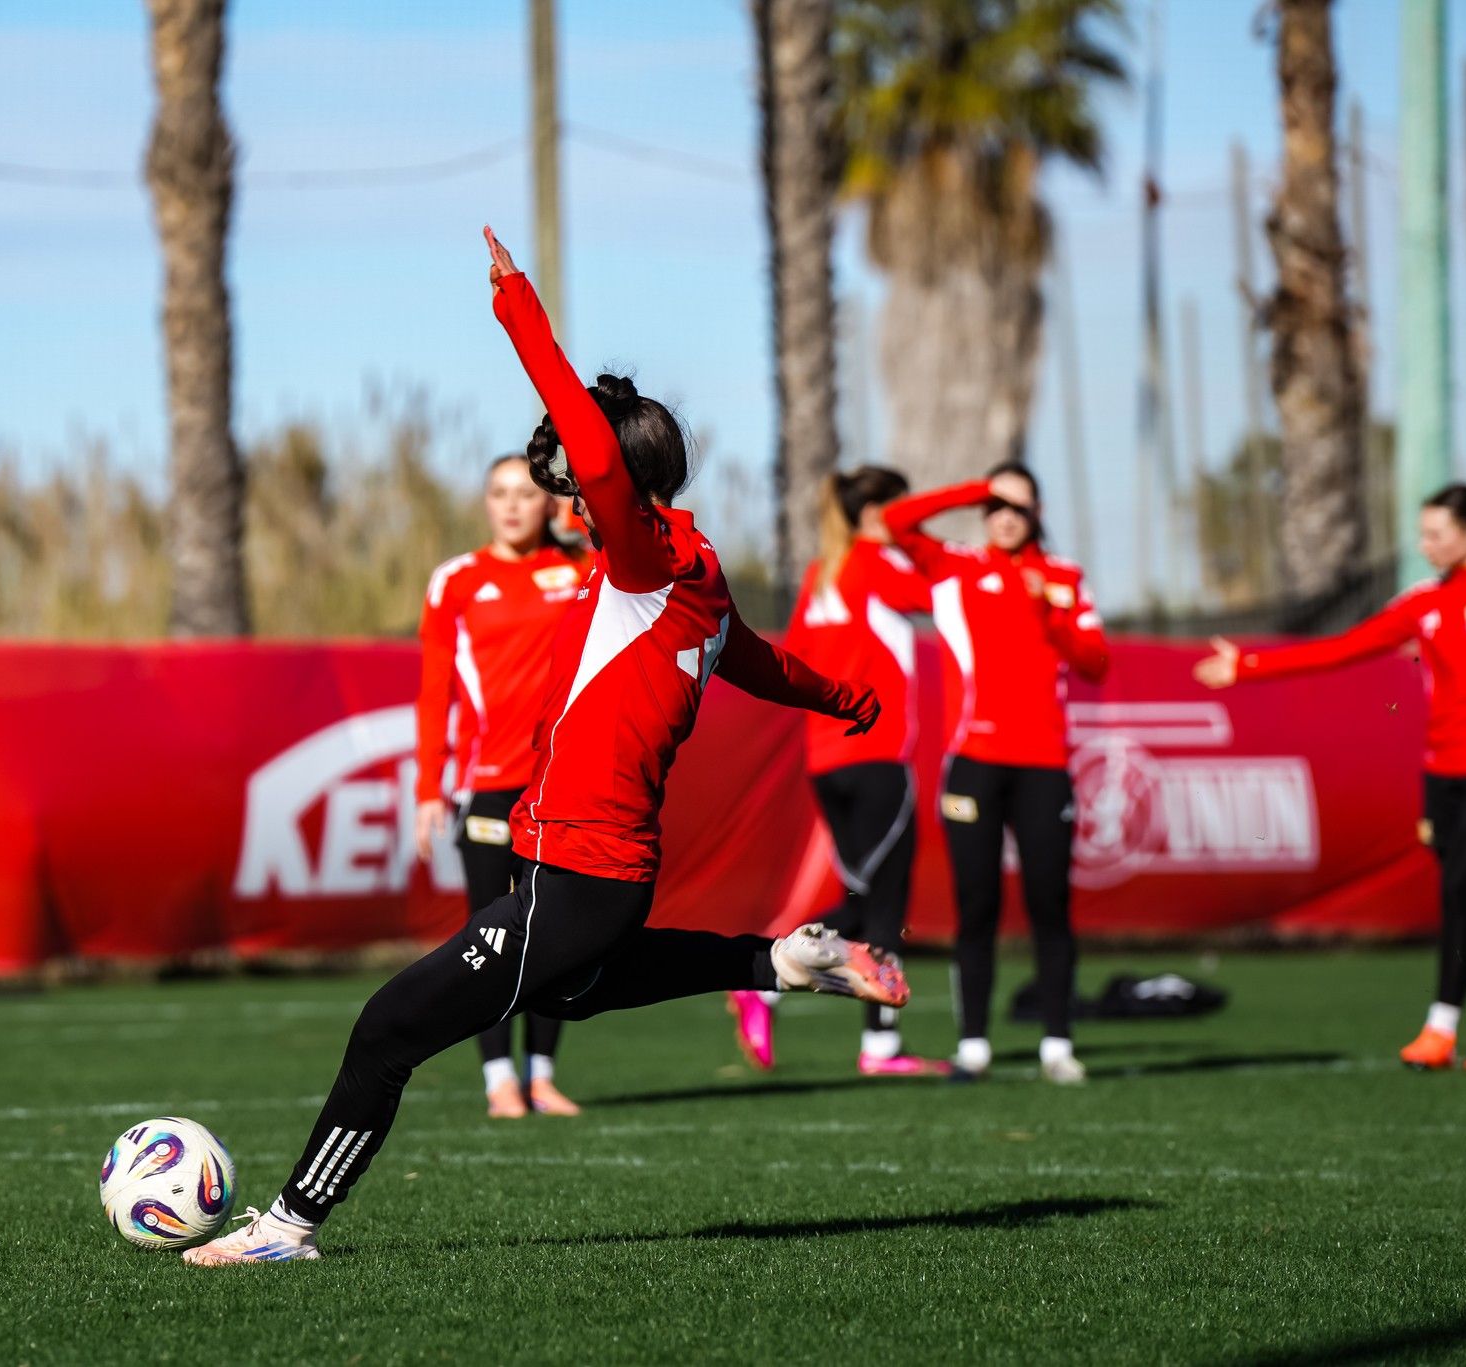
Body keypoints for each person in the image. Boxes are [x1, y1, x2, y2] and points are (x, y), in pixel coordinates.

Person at [184, 228, 905, 1265]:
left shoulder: (649, 555)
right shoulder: (690, 576)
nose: (560, 469)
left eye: (578, 463)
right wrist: (845, 697)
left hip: (580, 868)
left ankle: (288, 1226)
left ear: (618, 473)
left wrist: (516, 305)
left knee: (387, 1030)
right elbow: (763, 664)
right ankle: (782, 957)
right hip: (585, 866)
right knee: (573, 989)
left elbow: (604, 464)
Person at [1194, 484, 1466, 1072]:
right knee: (1458, 895)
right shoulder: (1424, 602)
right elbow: (1345, 649)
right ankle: (1442, 1030)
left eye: (1437, 534)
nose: (1425, 546)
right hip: (1442, 771)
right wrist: (1249, 665)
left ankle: (1440, 1027)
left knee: (1463, 891)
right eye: (1422, 534)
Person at [879, 465, 1110, 1085]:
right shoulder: (953, 565)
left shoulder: (1063, 576)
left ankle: (1057, 1044)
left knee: (1049, 905)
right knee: (976, 904)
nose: (1006, 516)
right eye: (996, 506)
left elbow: (1095, 663)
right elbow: (897, 521)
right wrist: (973, 487)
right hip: (973, 763)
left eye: (1019, 506)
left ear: (1038, 513)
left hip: (1045, 766)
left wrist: (1050, 609)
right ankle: (973, 1044)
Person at [727, 467, 944, 1076]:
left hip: (827, 759)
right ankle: (874, 1043)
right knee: (885, 900)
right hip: (877, 753)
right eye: (906, 512)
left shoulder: (822, 575)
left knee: (869, 895)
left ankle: (766, 982)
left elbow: (795, 658)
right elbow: (948, 593)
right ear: (877, 514)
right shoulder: (878, 563)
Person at [415, 455, 588, 1119]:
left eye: (528, 492)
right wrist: (429, 786)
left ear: (551, 503)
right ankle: (498, 1081)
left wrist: (567, 505)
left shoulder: (577, 570)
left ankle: (542, 1075)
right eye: (500, 492)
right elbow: (435, 694)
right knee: (488, 933)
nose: (512, 504)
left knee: (557, 931)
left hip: (562, 785)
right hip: (487, 786)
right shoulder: (457, 580)